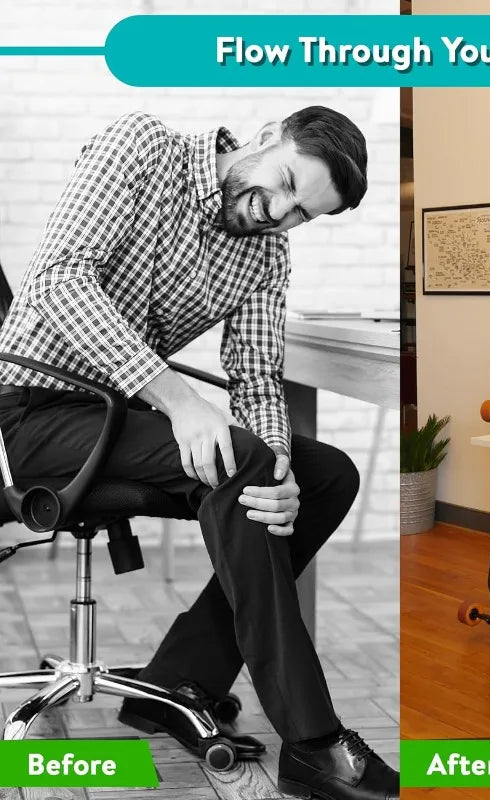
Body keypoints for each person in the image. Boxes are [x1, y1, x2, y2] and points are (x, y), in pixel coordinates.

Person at [0, 107, 398, 799]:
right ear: (268, 134)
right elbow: (60, 279)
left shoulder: (266, 256)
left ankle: (177, 681)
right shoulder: (141, 149)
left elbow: (254, 376)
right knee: (236, 459)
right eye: (282, 185)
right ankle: (313, 741)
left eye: (302, 214)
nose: (277, 214)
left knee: (321, 473)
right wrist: (180, 402)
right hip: (30, 416)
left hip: (117, 421)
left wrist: (278, 463)